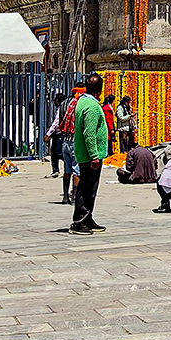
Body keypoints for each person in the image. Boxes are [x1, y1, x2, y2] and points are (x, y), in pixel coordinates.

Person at [70, 73, 109, 235]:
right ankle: (79, 221)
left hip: (84, 153)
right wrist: (94, 155)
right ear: (100, 90)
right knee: (87, 188)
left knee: (89, 188)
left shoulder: (83, 101)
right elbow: (89, 133)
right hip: (90, 156)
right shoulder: (92, 107)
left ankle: (87, 217)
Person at [58, 85, 84, 205]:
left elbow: (59, 121)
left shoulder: (63, 104)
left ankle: (65, 196)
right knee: (76, 170)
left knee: (67, 169)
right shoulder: (79, 103)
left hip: (65, 140)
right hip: (75, 140)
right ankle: (74, 196)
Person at [44, 93, 64, 177]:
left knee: (58, 152)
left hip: (59, 133)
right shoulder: (63, 108)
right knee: (54, 152)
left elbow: (56, 123)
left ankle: (65, 169)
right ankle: (55, 170)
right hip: (59, 133)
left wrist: (48, 134)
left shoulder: (60, 110)